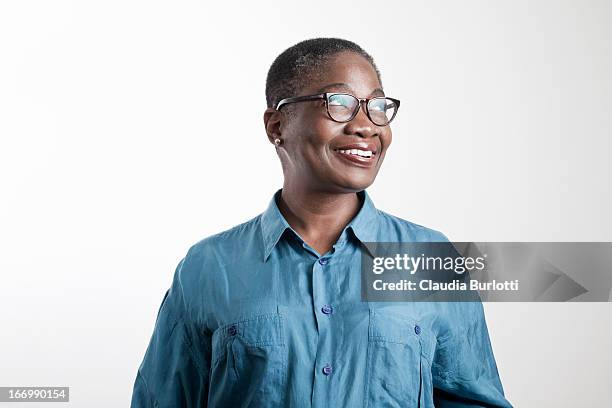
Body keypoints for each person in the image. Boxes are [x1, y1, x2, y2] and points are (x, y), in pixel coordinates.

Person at [130, 37, 513, 407]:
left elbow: (474, 401)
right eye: (340, 103)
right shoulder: (208, 267)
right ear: (277, 126)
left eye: (377, 106)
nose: (366, 125)